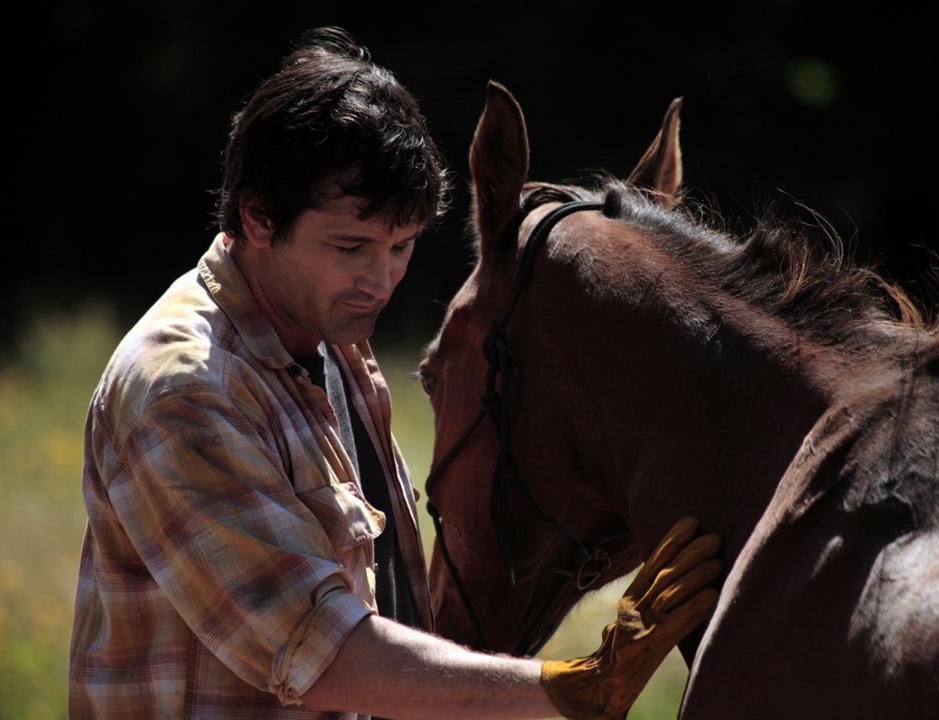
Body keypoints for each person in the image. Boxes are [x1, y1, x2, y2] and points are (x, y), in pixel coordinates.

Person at [69, 27, 722, 719]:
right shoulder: (185, 389)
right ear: (258, 217)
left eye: (402, 246)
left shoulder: (327, 336)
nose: (379, 282)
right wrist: (574, 685)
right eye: (350, 245)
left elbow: (388, 609)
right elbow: (319, 653)